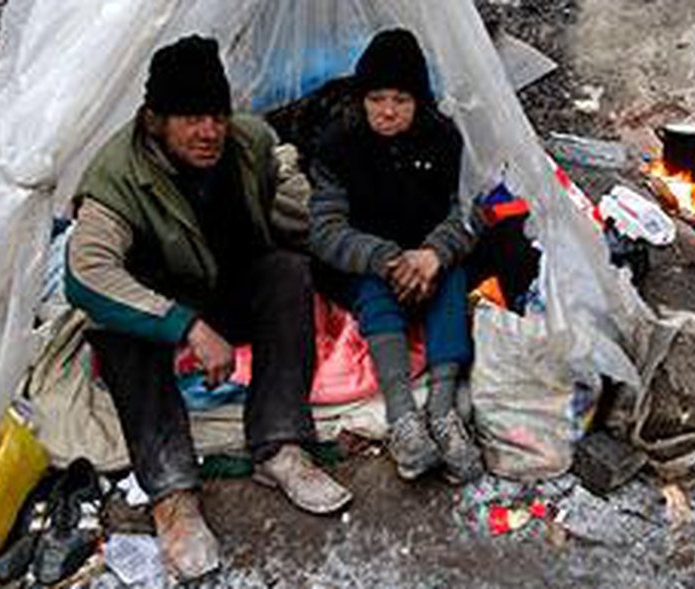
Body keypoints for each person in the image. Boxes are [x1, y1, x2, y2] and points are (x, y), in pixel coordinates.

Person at [65, 35, 352, 582]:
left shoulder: (246, 144)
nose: (209, 132)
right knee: (115, 328)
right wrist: (187, 325)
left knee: (288, 273)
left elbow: (293, 205)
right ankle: (172, 491)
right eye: (192, 118)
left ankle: (280, 445)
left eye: (217, 115)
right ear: (155, 120)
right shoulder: (117, 178)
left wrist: (355, 241)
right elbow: (87, 276)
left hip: (224, 286)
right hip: (159, 306)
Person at [308, 29, 484, 484]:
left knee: (453, 279)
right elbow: (326, 231)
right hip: (367, 263)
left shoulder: (443, 140)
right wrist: (389, 260)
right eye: (377, 99)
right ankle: (403, 416)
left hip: (427, 257)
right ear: (362, 99)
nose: (387, 111)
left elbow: (468, 209)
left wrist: (433, 254)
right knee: (374, 292)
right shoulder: (338, 147)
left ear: (418, 101)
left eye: (401, 100)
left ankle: (443, 411)